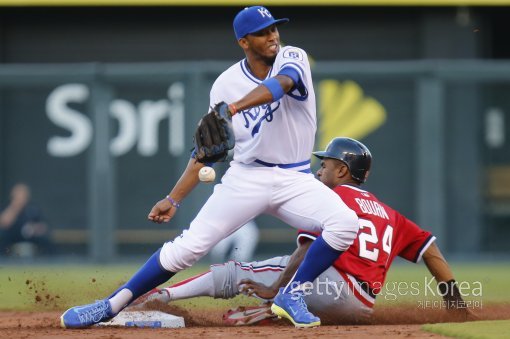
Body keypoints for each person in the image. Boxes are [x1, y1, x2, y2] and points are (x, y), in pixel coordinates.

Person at [60, 6, 359, 328]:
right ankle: (110, 305)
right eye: (262, 32)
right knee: (186, 250)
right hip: (247, 177)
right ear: (244, 42)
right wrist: (173, 199)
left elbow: (283, 84)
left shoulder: (292, 56)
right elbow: (208, 149)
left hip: (294, 177)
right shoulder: (225, 84)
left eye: (274, 28)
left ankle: (292, 293)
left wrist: (231, 108)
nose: (273, 36)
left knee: (344, 223)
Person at [132, 137, 474, 325]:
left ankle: (159, 296)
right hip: (363, 305)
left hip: (332, 287)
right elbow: (431, 251)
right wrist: (455, 303)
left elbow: (307, 249)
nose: (319, 168)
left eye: (324, 164)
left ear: (341, 170)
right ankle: (273, 314)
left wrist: (276, 289)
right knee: (273, 284)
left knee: (241, 271)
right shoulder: (390, 214)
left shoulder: (331, 197)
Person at [0, 183, 52, 257]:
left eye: (23, 195)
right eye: (18, 195)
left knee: (45, 239)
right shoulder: (7, 207)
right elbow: (4, 223)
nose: (21, 197)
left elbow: (44, 226)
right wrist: (15, 207)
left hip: (30, 236)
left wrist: (34, 228)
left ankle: (49, 261)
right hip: (12, 235)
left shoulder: (32, 209)